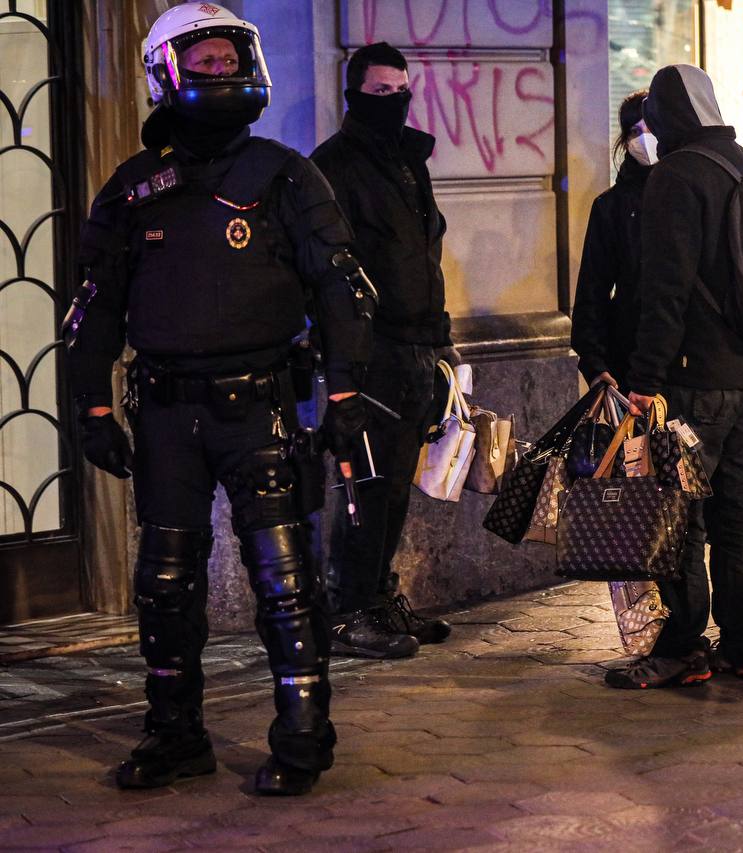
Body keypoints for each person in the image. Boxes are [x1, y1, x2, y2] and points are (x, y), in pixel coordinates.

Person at [66, 3, 373, 795]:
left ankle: (303, 737)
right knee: (165, 582)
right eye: (204, 62)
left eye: (231, 57)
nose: (222, 72)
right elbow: (95, 303)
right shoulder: (134, 189)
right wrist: (92, 407)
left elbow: (340, 288)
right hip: (167, 412)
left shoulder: (284, 174)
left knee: (284, 578)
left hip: (260, 409)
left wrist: (344, 390)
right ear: (168, 73)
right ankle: (175, 733)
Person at [608, 64, 743, 688]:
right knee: (737, 513)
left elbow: (666, 290)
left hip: (692, 380)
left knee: (680, 516)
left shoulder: (676, 176)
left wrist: (645, 377)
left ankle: (681, 647)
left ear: (666, 119)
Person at [311, 42, 455, 659]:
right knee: (364, 487)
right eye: (381, 94)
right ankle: (347, 609)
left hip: (417, 344)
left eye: (402, 91)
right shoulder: (334, 167)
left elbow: (424, 255)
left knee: (396, 485)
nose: (395, 103)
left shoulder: (406, 161)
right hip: (372, 353)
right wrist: (346, 358)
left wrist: (442, 342)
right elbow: (330, 273)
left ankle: (376, 594)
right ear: (354, 97)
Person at [571, 90, 655, 392]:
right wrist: (594, 364)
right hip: (629, 360)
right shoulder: (612, 206)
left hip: (689, 365)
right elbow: (592, 289)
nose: (644, 138)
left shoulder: (690, 196)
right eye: (635, 131)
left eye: (650, 127)